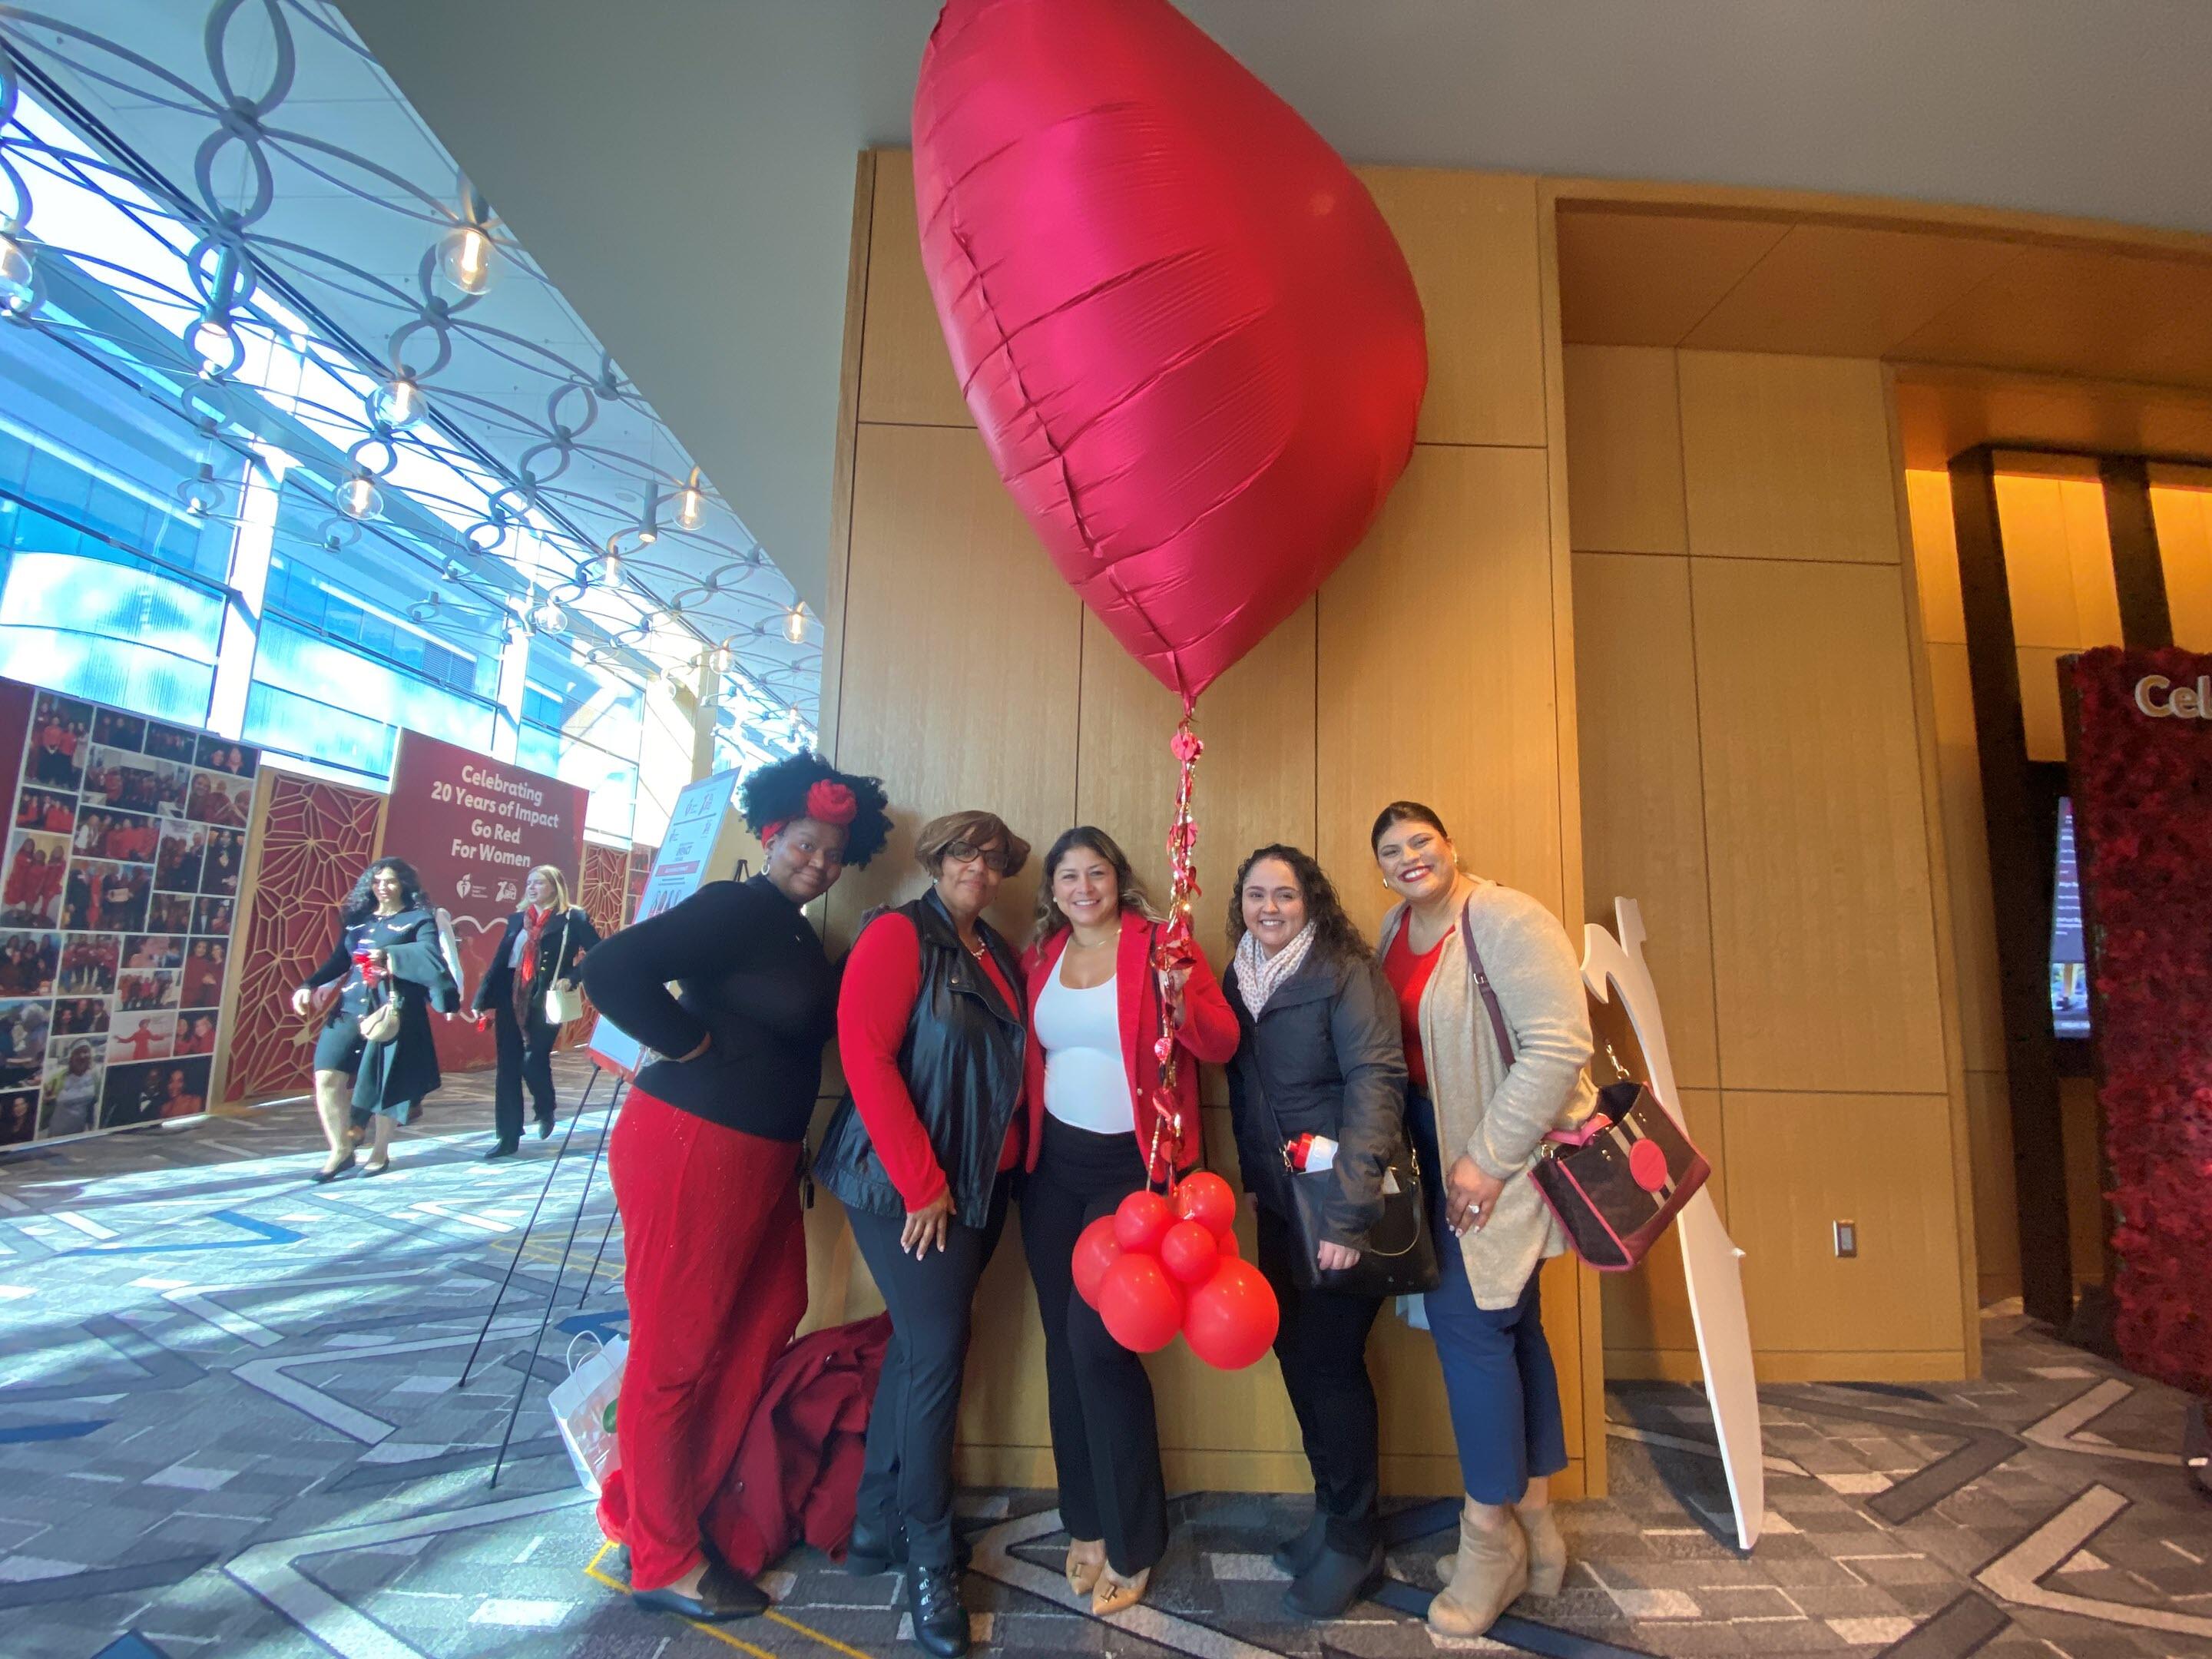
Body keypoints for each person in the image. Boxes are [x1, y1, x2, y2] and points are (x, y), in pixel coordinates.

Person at [581, 751, 890, 1624]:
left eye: (833, 854)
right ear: (770, 834)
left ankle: (680, 1500)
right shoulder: (734, 906)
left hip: (754, 1158)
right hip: (691, 1145)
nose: (819, 864)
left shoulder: (793, 929)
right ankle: (664, 1556)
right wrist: (689, 1049)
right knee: (675, 1353)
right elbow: (611, 973)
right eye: (805, 844)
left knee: (770, 1309)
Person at [1371, 802, 1594, 1638]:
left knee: (1470, 1331)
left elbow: (1558, 1044)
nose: (1408, 856)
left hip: (1497, 1157)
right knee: (1512, 1329)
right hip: (1436, 1152)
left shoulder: (1501, 915)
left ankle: (1488, 1538)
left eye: (1421, 841)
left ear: (1452, 845)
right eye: (1392, 850)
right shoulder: (1395, 927)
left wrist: (1485, 1160)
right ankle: (1538, 1526)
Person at [816, 810, 1033, 1659]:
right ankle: (930, 1553)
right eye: (963, 853)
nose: (979, 866)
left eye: (994, 856)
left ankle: (875, 1524)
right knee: (940, 1355)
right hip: (906, 1187)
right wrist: (923, 1183)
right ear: (936, 862)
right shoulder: (899, 936)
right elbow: (865, 1059)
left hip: (977, 1189)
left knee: (918, 1350)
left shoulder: (995, 953)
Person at [1018, 826, 1238, 1615]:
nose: (1084, 888)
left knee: (1098, 1347)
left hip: (1132, 1176)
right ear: (1053, 889)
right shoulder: (1038, 956)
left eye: (1098, 873)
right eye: (1068, 876)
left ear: (1120, 879)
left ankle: (1134, 1538)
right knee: (1060, 1351)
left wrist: (1182, 996)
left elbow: (1220, 1041)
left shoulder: (1161, 945)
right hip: (1051, 1176)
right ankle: (1084, 1520)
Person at [1220, 844, 1409, 1618]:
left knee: (1331, 1364)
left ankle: (1357, 1540)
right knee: (1296, 1354)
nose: (1271, 907)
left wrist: (1350, 1211)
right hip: (1276, 1205)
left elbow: (1379, 1082)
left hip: (1337, 1206)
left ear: (1312, 903)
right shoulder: (1237, 979)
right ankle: (1332, 1515)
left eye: (1286, 895)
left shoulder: (1346, 973)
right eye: (1257, 895)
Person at [290, 858, 460, 1181]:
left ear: (405, 885)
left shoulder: (419, 919)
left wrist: (391, 956)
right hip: (350, 1006)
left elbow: (429, 955)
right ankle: (341, 1150)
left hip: (393, 1009)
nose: (383, 886)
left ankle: (380, 1151)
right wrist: (308, 984)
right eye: (378, 880)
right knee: (326, 1075)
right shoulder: (358, 921)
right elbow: (340, 960)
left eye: (391, 881)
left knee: (385, 1083)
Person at [472, 864, 600, 1157]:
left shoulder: (572, 918)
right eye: (529, 883)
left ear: (555, 887)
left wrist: (573, 977)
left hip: (545, 998)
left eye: (539, 883)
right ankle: (507, 1136)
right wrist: (484, 1002)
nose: (532, 888)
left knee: (532, 1060)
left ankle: (545, 1108)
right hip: (509, 996)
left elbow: (598, 951)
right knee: (507, 1067)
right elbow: (499, 961)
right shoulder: (517, 919)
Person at [43, 1041, 99, 1137]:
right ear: (71, 1057)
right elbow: (44, 1102)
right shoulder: (57, 1078)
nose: (82, 1056)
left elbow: (91, 1105)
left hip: (78, 1136)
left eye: (85, 1052)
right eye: (77, 1052)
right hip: (56, 1135)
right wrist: (46, 1101)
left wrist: (92, 1130)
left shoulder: (95, 1078)